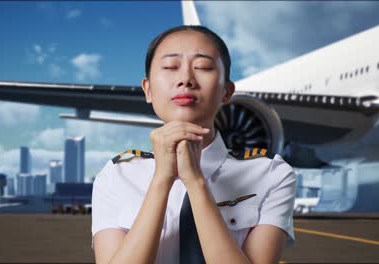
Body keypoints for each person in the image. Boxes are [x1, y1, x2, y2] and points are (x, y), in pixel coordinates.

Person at [92, 25, 296, 264]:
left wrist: (196, 182)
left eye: (203, 67)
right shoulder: (116, 175)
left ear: (227, 92)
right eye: (170, 67)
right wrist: (161, 180)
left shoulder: (271, 173)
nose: (185, 79)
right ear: (148, 89)